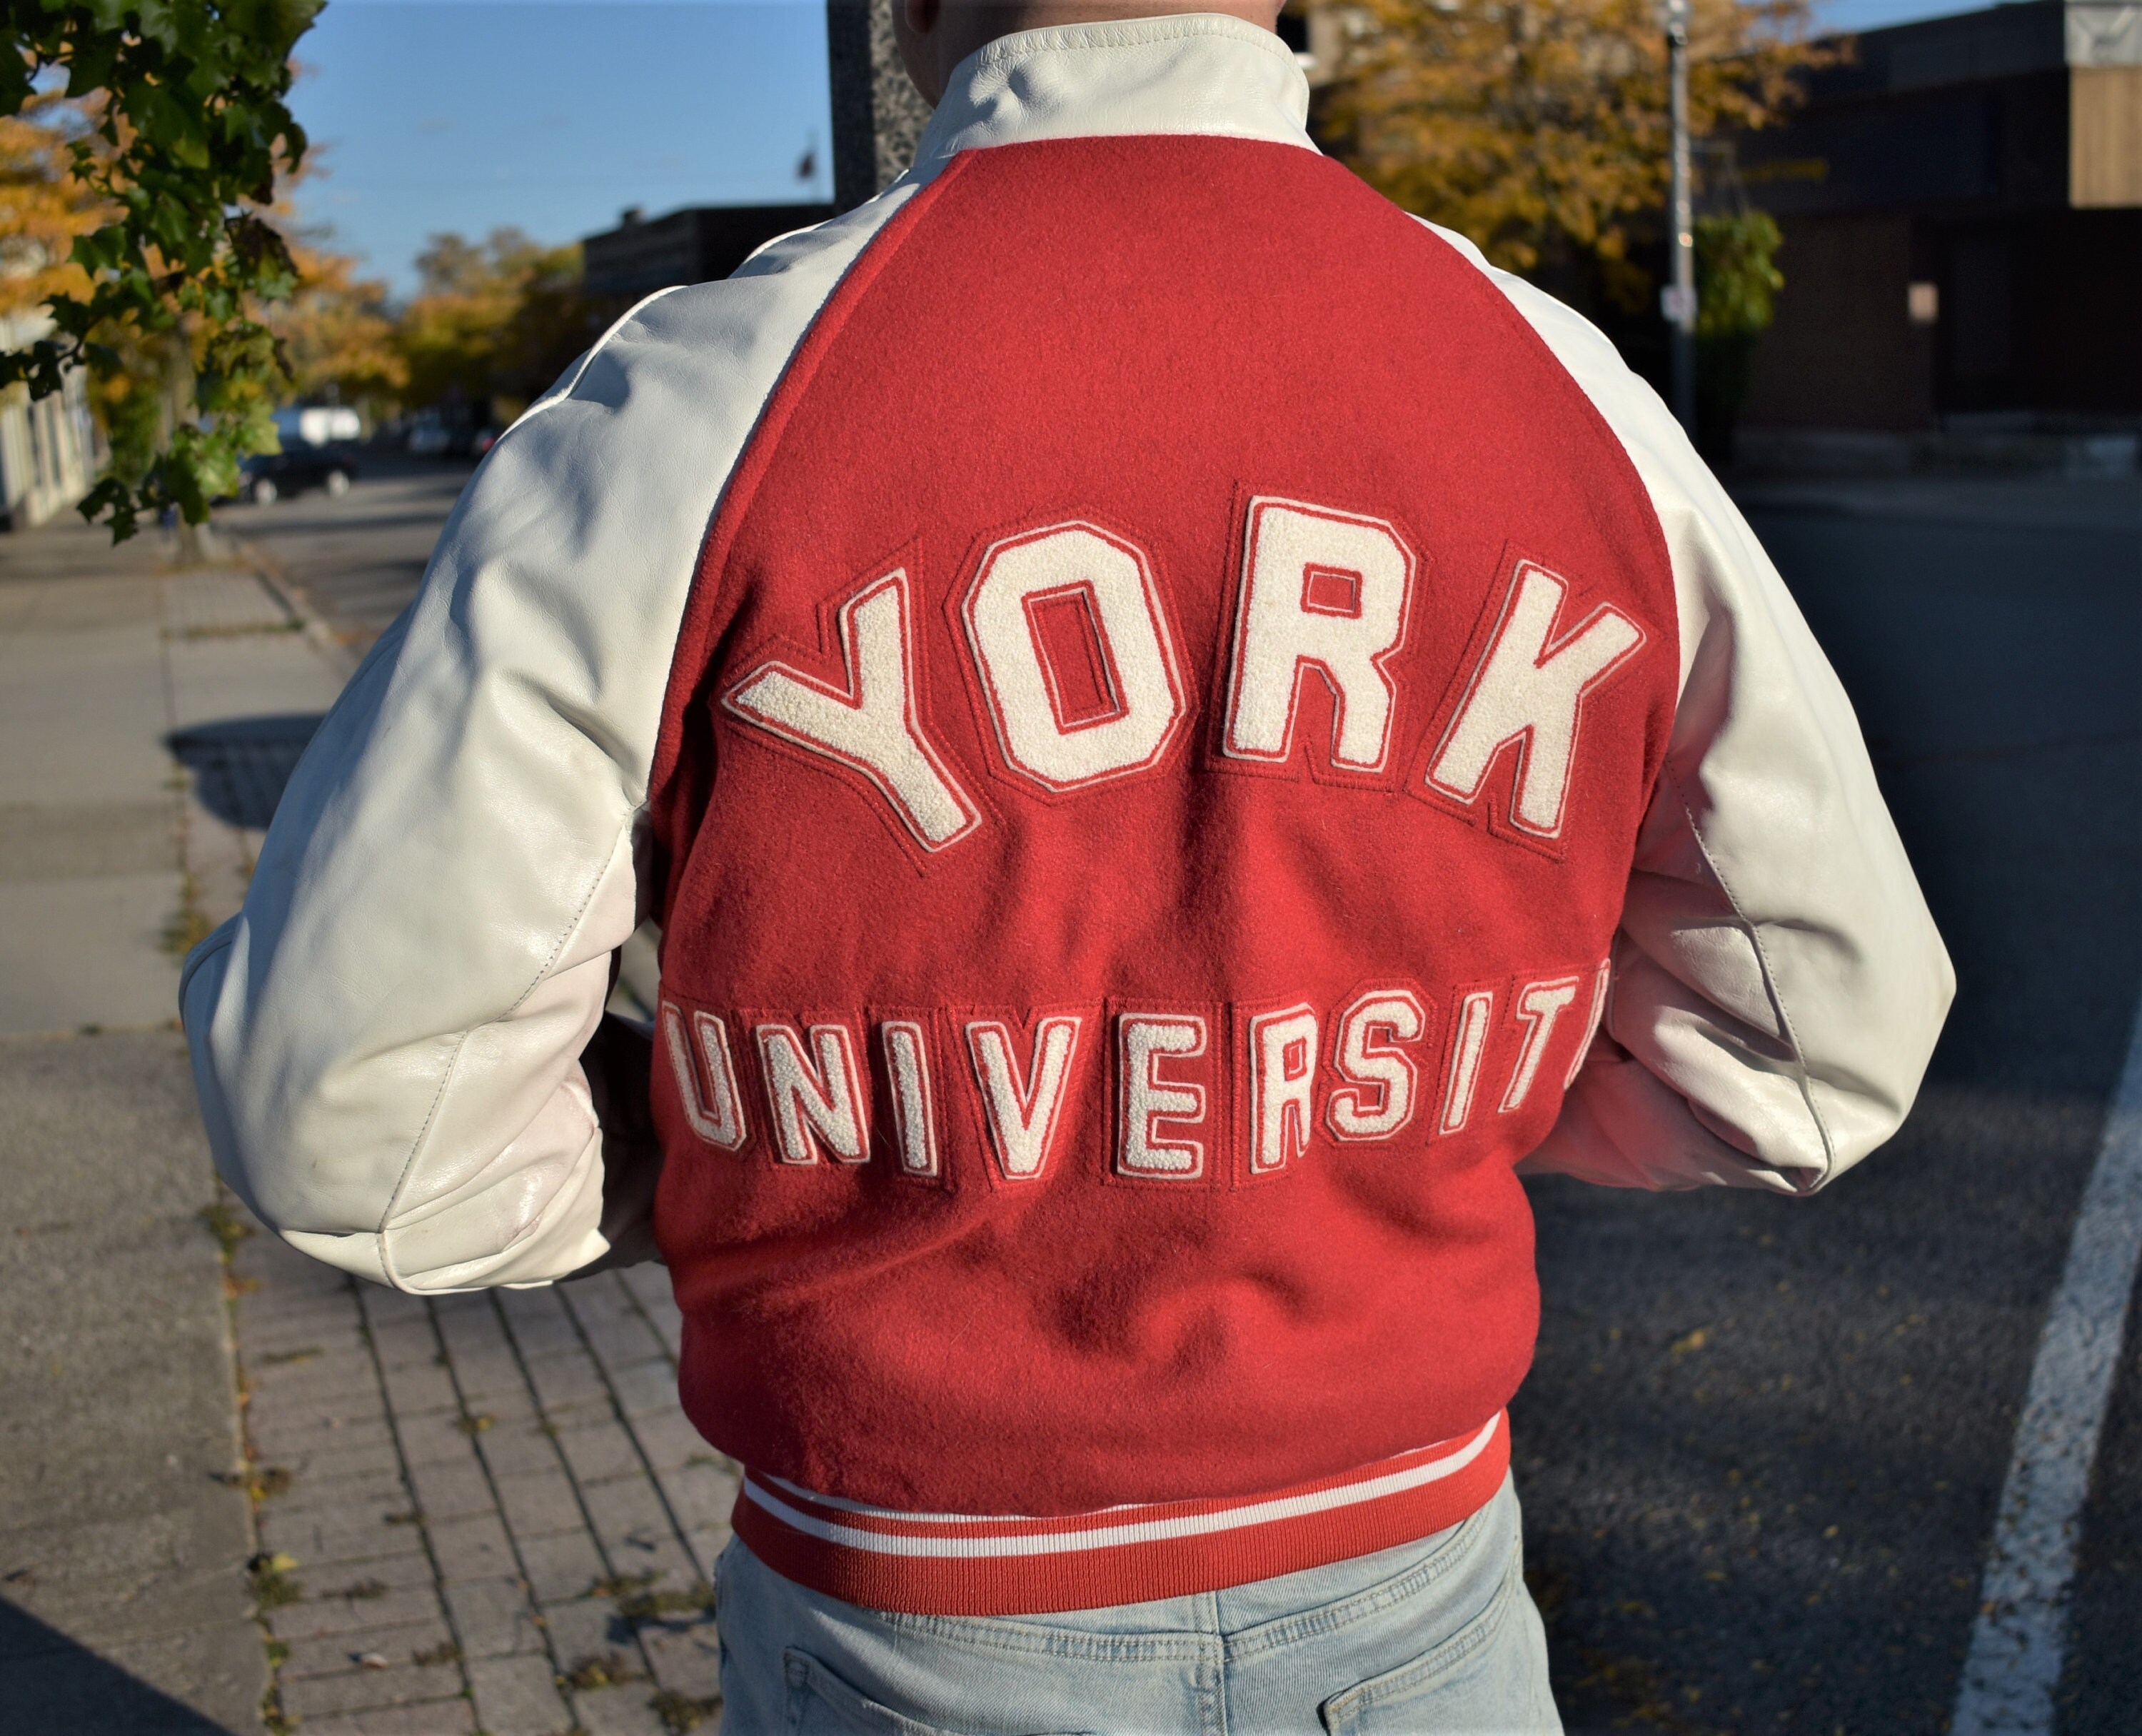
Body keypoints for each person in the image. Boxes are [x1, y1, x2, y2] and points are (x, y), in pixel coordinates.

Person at [181, 3, 1954, 1728]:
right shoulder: (1563, 390)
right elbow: (1823, 1050)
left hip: (908, 1615)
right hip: (1420, 1609)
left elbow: (356, 1113)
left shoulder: (692, 408)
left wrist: (702, 1164)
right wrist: (1418, 1110)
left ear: (908, 9)